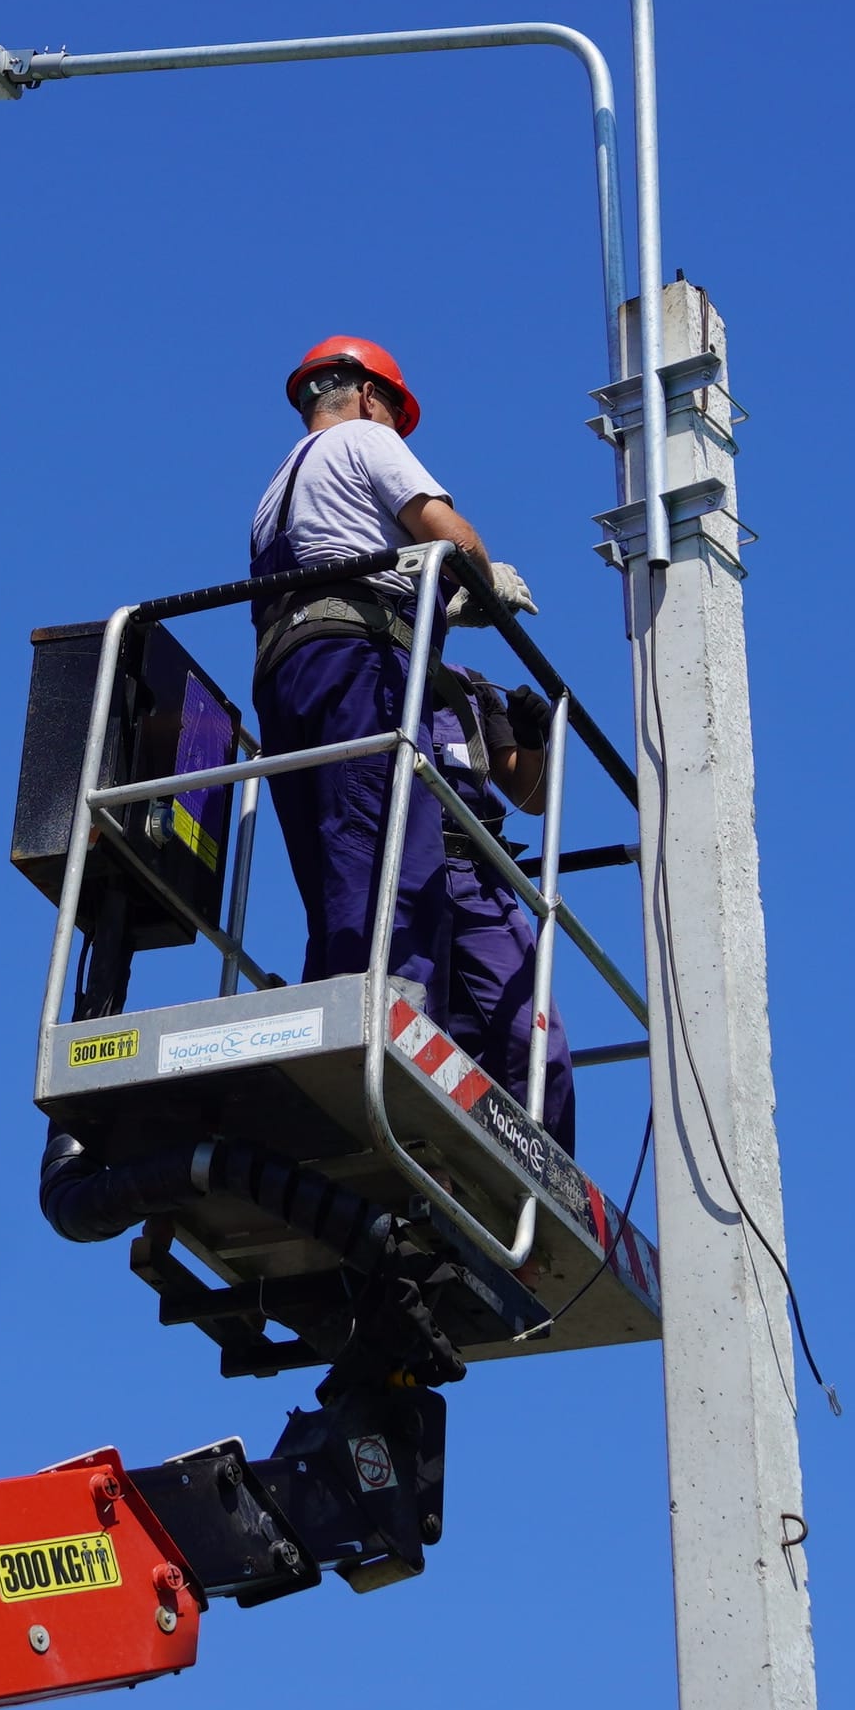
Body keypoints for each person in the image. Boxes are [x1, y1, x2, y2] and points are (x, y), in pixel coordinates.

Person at [245, 335, 572, 1145]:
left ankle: (342, 1023)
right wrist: (482, 579)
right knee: (389, 851)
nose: (396, 426)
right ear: (365, 395)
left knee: (339, 862)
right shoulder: (366, 440)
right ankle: (393, 1036)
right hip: (359, 660)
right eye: (395, 410)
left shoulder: (276, 488)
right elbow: (445, 532)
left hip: (290, 667)